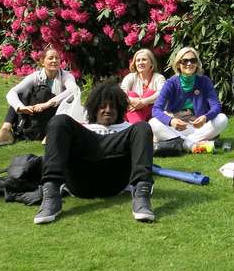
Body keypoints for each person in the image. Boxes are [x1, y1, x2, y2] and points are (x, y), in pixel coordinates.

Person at [33, 79, 155, 224]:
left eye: (113, 106)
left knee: (143, 127)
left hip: (114, 182)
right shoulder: (80, 130)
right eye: (102, 106)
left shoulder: (130, 130)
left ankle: (141, 195)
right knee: (59, 121)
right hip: (79, 181)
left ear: (120, 108)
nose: (108, 110)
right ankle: (51, 195)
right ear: (94, 108)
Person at [0, 47, 81, 148]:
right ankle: (5, 131)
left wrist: (48, 103)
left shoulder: (66, 76)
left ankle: (53, 133)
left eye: (57, 58)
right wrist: (20, 107)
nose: (54, 61)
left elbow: (73, 90)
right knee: (19, 95)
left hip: (58, 112)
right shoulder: (36, 76)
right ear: (42, 62)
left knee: (60, 99)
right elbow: (12, 92)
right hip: (39, 113)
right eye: (50, 58)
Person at [150, 47, 228, 151]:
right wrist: (171, 121)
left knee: (222, 119)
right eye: (185, 61)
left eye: (193, 60)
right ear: (178, 64)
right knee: (153, 123)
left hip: (198, 127)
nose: (189, 63)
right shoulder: (171, 83)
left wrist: (206, 117)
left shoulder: (204, 81)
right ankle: (193, 144)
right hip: (177, 127)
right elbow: (156, 109)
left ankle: (182, 143)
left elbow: (216, 106)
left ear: (197, 63)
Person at [120, 48, 166, 125]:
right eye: (138, 60)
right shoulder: (131, 77)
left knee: (151, 93)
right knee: (131, 95)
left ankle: (137, 128)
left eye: (144, 60)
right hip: (131, 113)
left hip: (153, 113)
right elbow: (121, 92)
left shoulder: (158, 78)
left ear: (151, 63)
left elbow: (162, 93)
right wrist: (131, 100)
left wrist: (142, 102)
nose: (140, 63)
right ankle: (138, 127)